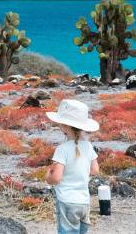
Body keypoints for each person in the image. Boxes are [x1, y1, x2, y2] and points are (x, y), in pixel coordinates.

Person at [45, 99, 100, 234]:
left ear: (64, 126)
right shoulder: (88, 146)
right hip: (84, 201)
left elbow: (56, 178)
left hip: (67, 201)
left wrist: (48, 176)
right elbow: (95, 170)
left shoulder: (62, 149)